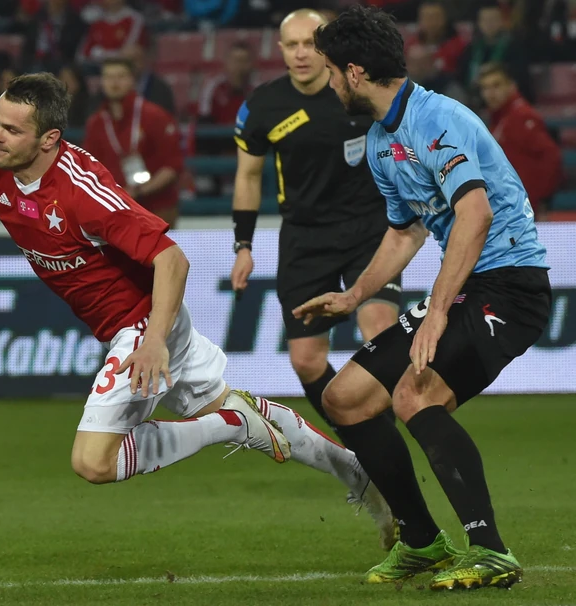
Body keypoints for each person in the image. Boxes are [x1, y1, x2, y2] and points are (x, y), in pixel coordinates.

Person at [0, 72, 395, 550]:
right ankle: (364, 475)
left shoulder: (82, 191)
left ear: (49, 139)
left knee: (93, 461)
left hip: (142, 321)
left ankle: (228, 426)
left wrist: (154, 340)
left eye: (12, 130)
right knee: (225, 403)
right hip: (141, 325)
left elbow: (172, 260)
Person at [303, 5, 551, 590]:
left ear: (355, 72)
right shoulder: (379, 140)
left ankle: (490, 551)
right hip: (470, 287)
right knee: (345, 398)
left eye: (332, 71)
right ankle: (421, 541)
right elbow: (405, 232)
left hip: (510, 286)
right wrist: (355, 295)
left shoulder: (437, 119)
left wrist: (436, 311)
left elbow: (475, 214)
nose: (329, 83)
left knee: (415, 393)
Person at [230, 9, 401, 434]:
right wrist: (243, 246)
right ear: (280, 49)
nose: (301, 53)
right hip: (305, 239)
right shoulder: (262, 107)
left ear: (324, 47)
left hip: (369, 230)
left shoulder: (357, 91)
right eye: (292, 45)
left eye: (310, 43)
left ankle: (382, 442)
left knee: (380, 331)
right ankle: (363, 437)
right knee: (306, 361)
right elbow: (248, 177)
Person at [84, 58, 182, 227]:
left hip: (156, 209)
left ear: (132, 80)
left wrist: (139, 191)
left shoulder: (155, 116)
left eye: (121, 76)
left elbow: (172, 166)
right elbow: (89, 169)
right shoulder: (96, 123)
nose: (114, 83)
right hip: (114, 211)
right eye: (108, 77)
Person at [478, 62, 563, 217]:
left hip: (524, 210)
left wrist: (540, 200)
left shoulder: (522, 116)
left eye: (496, 86)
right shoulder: (498, 118)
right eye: (485, 88)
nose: (490, 93)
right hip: (509, 208)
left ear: (511, 86)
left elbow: (552, 157)